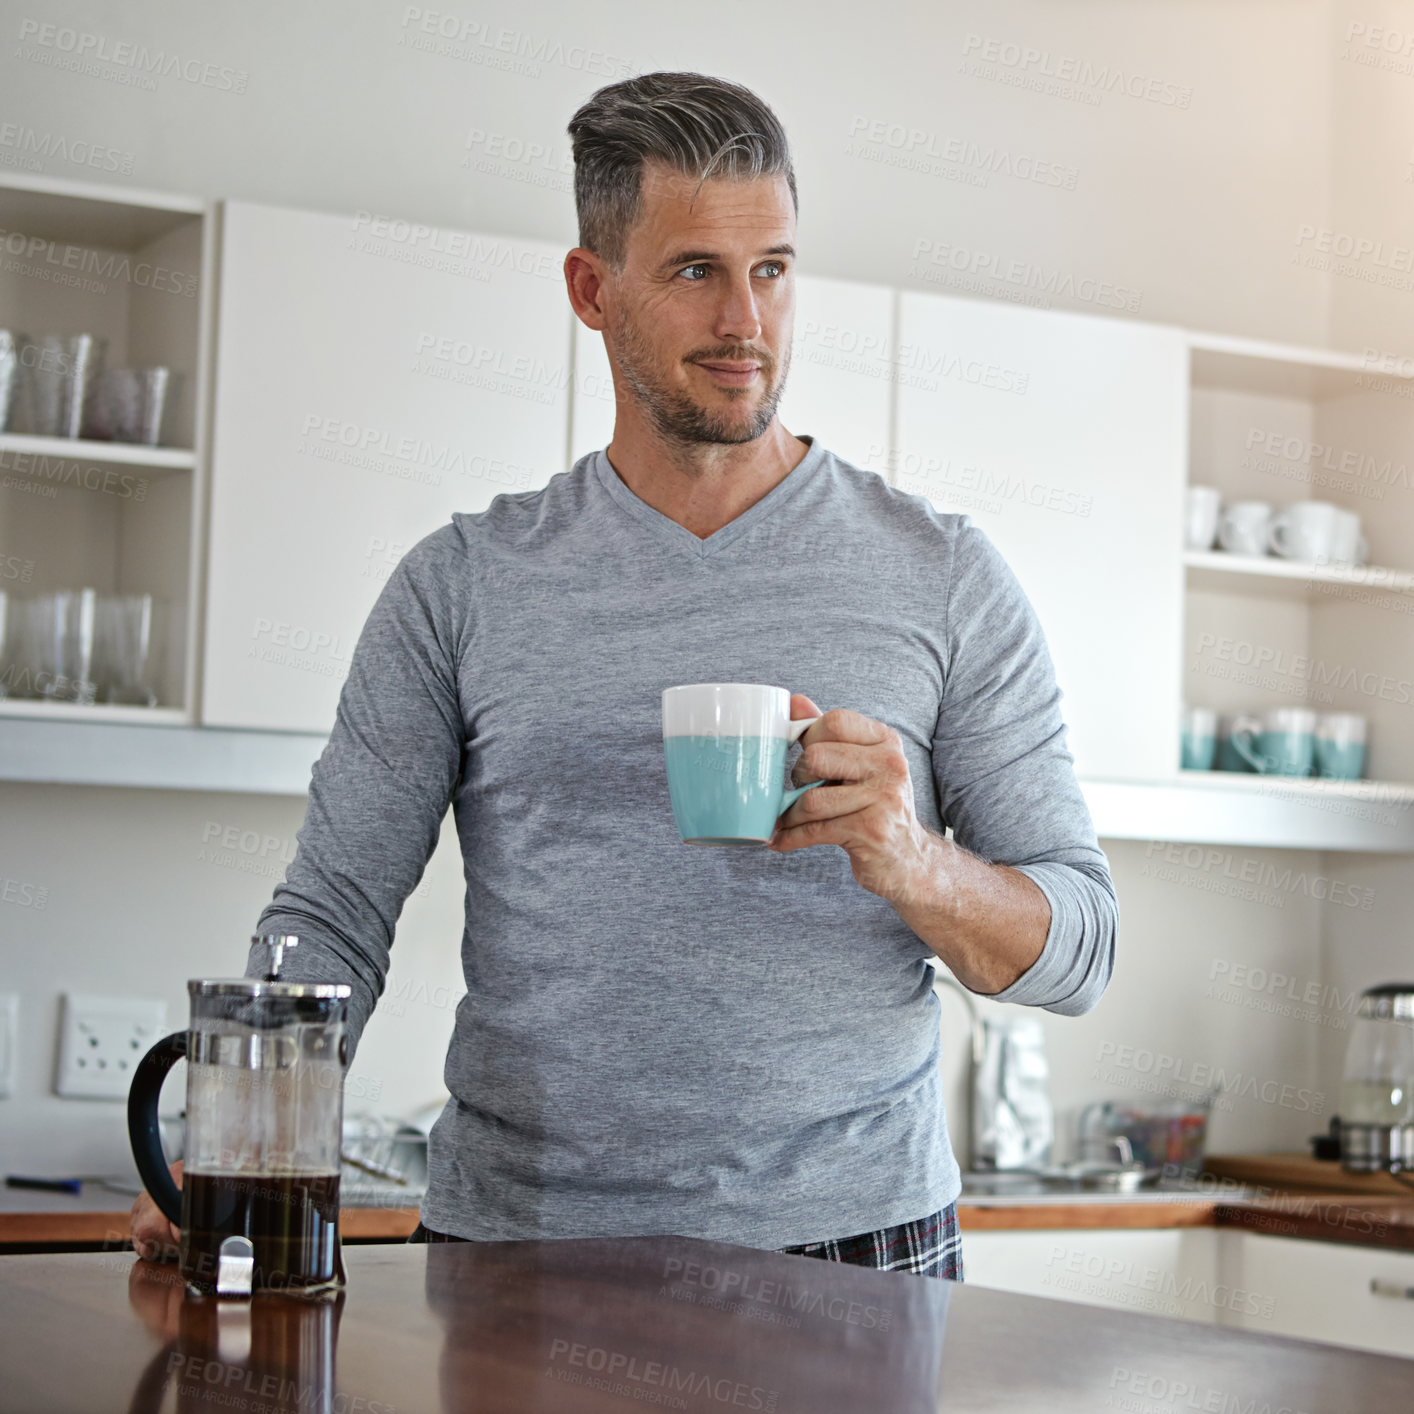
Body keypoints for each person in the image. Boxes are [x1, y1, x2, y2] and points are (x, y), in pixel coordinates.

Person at [132, 70, 1117, 1281]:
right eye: (695, 269)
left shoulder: (944, 575)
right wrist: (228, 1147)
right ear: (591, 290)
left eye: (773, 268)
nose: (746, 321)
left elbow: (1081, 947)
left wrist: (913, 862)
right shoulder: (462, 583)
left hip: (858, 1254)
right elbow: (332, 915)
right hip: (520, 1252)